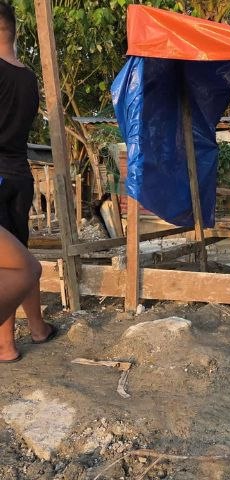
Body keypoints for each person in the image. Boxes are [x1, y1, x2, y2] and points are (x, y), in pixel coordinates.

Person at [0, 1, 57, 363]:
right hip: (20, 175)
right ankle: (37, 328)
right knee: (20, 256)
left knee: (8, 264)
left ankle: (5, 345)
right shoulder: (27, 77)